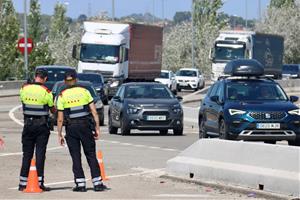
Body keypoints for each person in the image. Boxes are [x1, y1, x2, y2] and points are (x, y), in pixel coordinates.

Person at [56, 71, 106, 192]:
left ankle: (80, 184)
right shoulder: (85, 92)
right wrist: (97, 128)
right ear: (76, 80)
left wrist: (59, 134)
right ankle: (97, 183)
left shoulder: (61, 96)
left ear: (65, 82)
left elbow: (60, 118)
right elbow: (94, 112)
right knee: (90, 154)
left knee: (76, 156)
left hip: (71, 128)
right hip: (85, 126)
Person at [19, 69, 55, 191]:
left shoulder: (24, 89)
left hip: (28, 125)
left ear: (35, 77)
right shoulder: (46, 91)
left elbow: (23, 101)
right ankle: (39, 183)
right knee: (40, 154)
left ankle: (22, 183)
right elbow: (52, 108)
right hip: (41, 126)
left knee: (26, 155)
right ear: (45, 79)